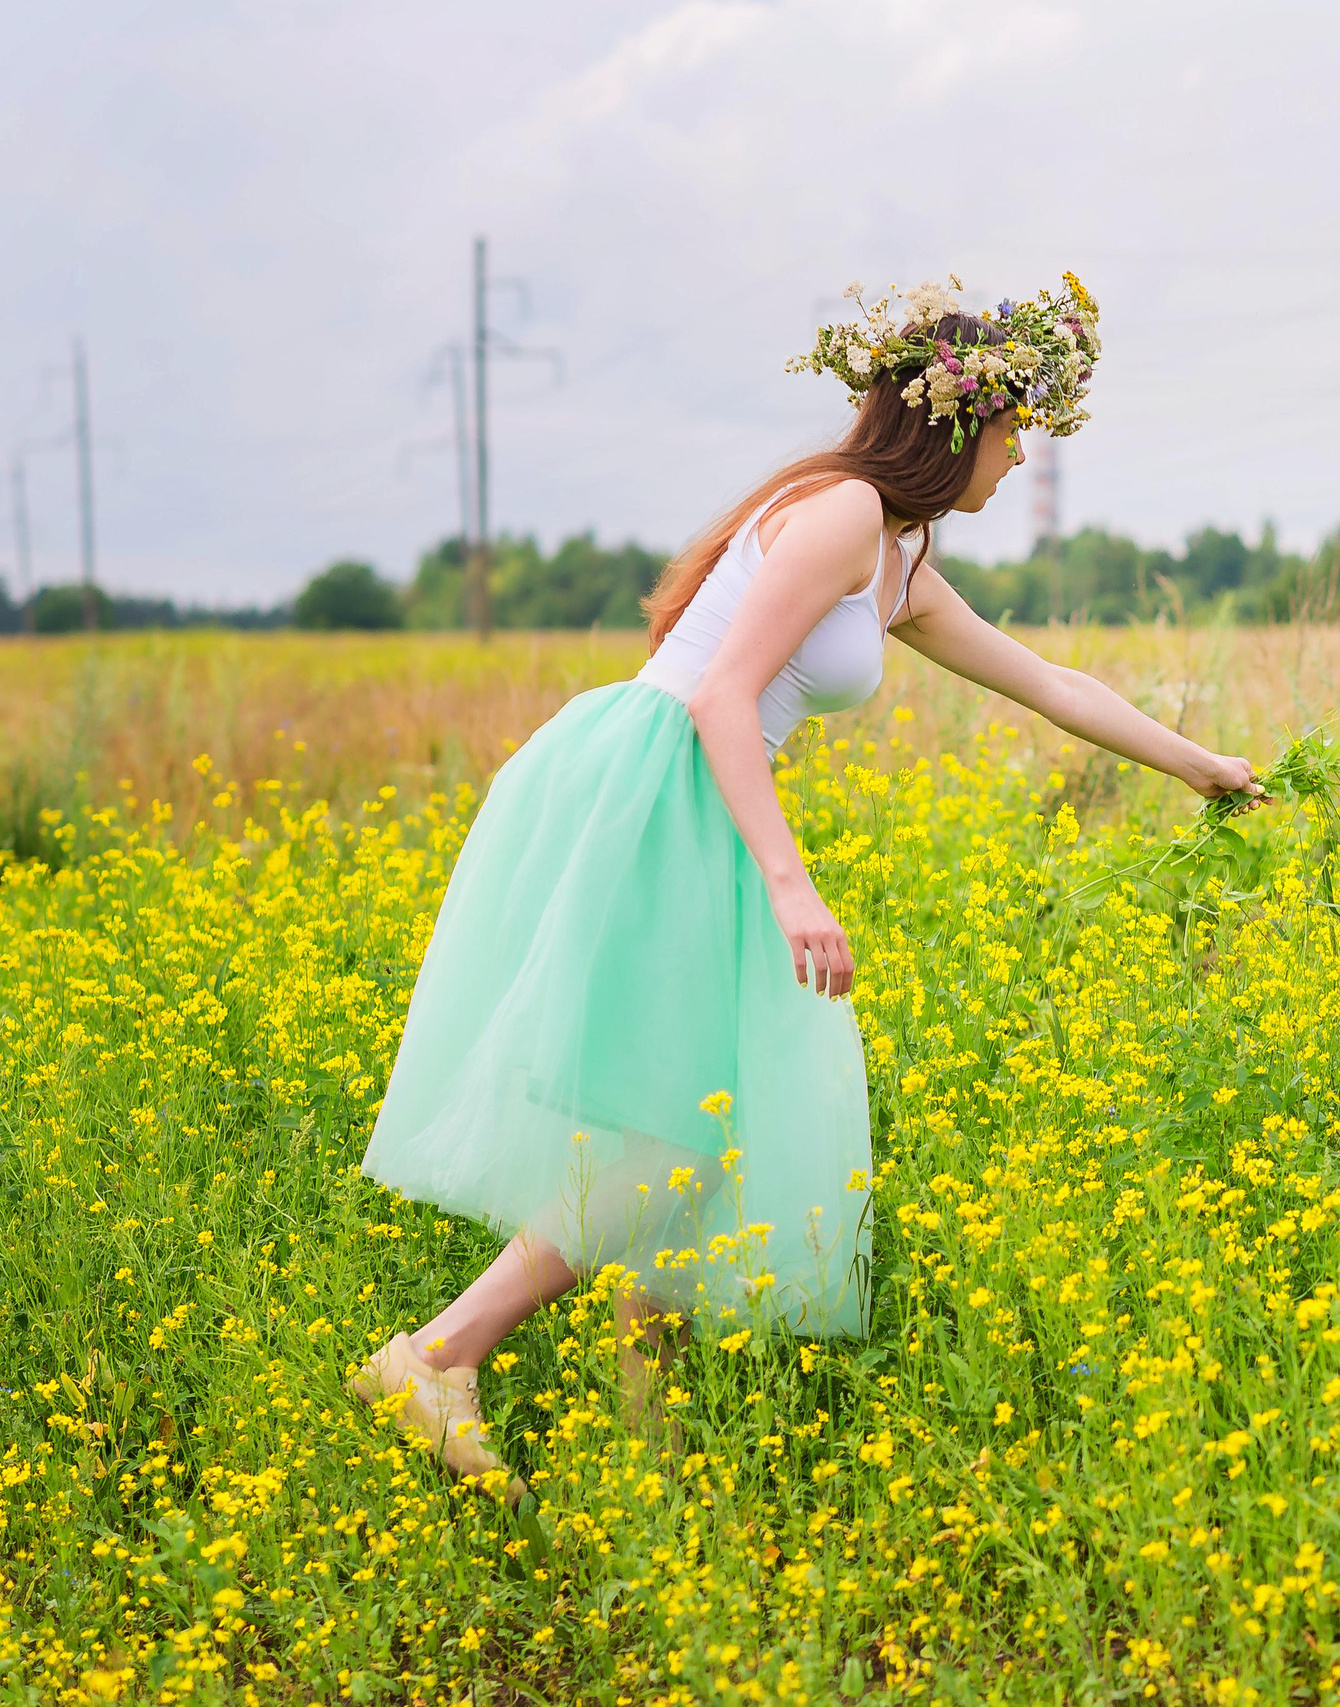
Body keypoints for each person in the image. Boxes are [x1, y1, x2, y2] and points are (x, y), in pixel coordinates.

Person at [351, 275, 1255, 1500]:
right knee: (675, 1124)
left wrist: (1203, 769)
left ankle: (649, 1457)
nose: (1020, 454)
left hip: (697, 793)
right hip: (664, 785)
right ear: (958, 426)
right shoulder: (839, 514)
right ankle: (438, 1354)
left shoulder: (898, 554)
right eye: (1011, 428)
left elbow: (1044, 682)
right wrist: (791, 887)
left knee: (688, 1121)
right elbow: (724, 694)